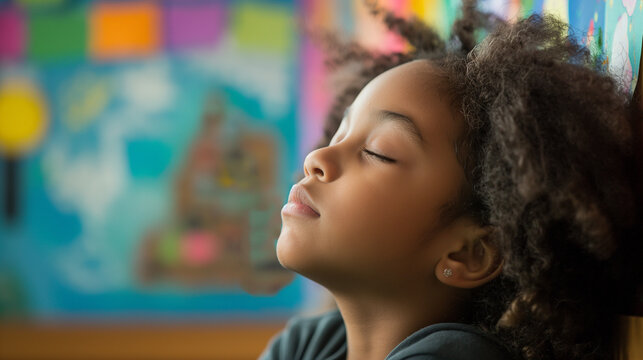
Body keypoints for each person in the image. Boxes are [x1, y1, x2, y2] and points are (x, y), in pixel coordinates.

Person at [260, 0, 643, 359]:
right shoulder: (307, 343)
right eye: (338, 134)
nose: (317, 158)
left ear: (468, 253)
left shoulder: (458, 355)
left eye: (378, 152)